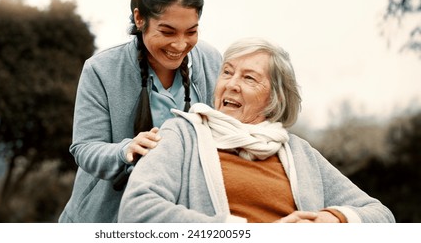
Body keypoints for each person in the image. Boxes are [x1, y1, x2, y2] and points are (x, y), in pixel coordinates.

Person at [118, 37, 395, 223]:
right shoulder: (181, 135)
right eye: (227, 72)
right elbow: (136, 208)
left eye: (249, 78)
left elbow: (381, 215)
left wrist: (332, 219)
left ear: (274, 98)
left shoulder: (298, 152)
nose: (231, 84)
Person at [58, 0, 222, 223]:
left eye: (191, 32)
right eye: (167, 32)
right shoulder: (101, 70)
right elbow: (84, 148)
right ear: (139, 18)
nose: (180, 45)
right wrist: (125, 150)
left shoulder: (210, 60)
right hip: (106, 220)